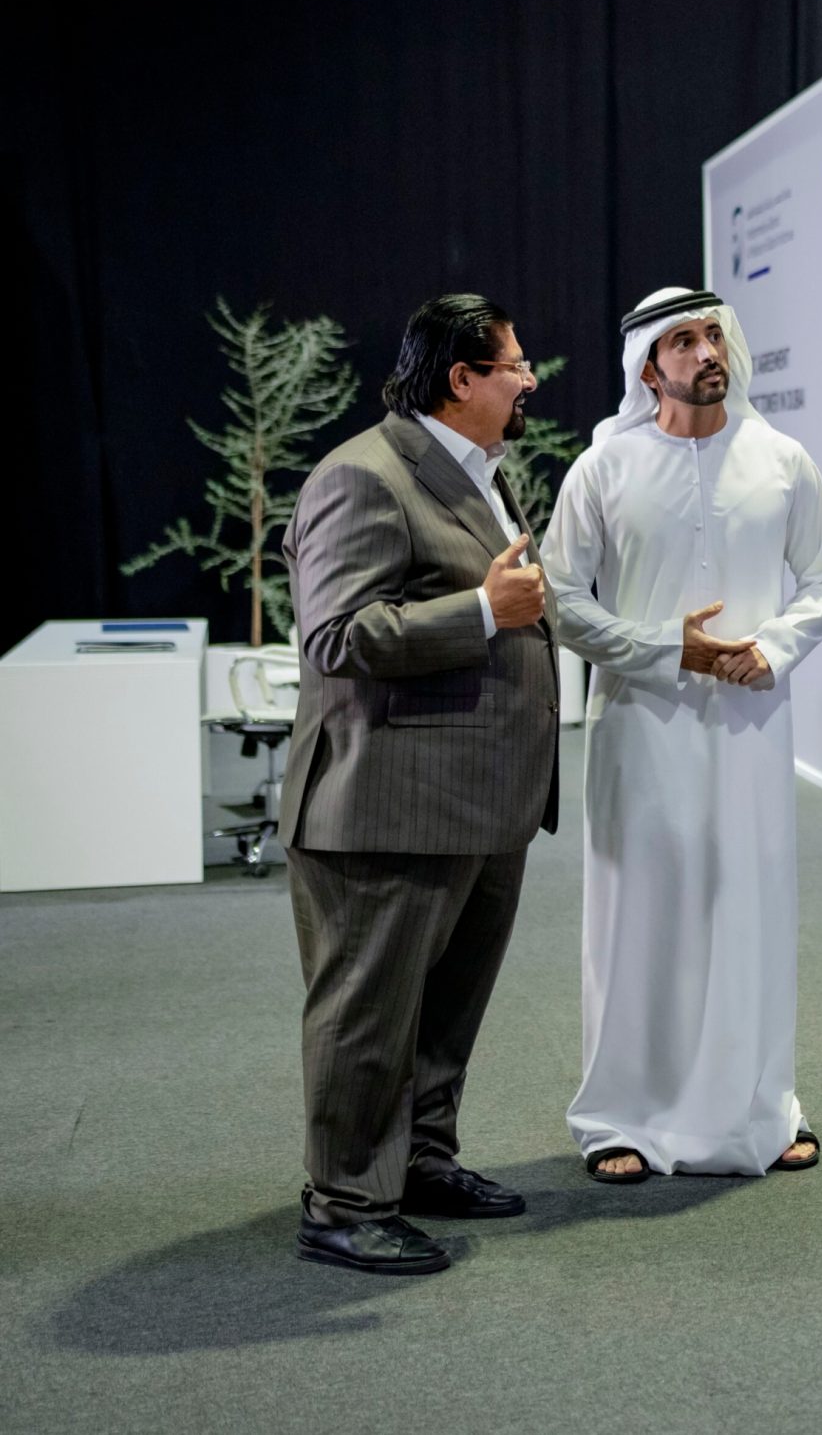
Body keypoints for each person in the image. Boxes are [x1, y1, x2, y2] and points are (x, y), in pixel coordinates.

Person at [277, 293, 558, 1275]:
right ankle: (345, 1202)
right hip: (384, 806)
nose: (530, 380)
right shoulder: (361, 475)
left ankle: (421, 1163)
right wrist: (481, 610)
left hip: (480, 801)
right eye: (515, 365)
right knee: (367, 1014)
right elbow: (335, 637)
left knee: (444, 1010)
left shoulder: (479, 470)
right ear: (461, 378)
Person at [547, 287, 822, 1181]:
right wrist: (661, 648)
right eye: (683, 340)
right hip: (640, 722)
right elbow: (560, 598)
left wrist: (773, 647)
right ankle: (619, 1118)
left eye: (714, 334)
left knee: (749, 908)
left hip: (750, 724)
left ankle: (760, 1110)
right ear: (649, 368)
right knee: (638, 916)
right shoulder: (602, 469)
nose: (708, 351)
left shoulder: (781, 460)